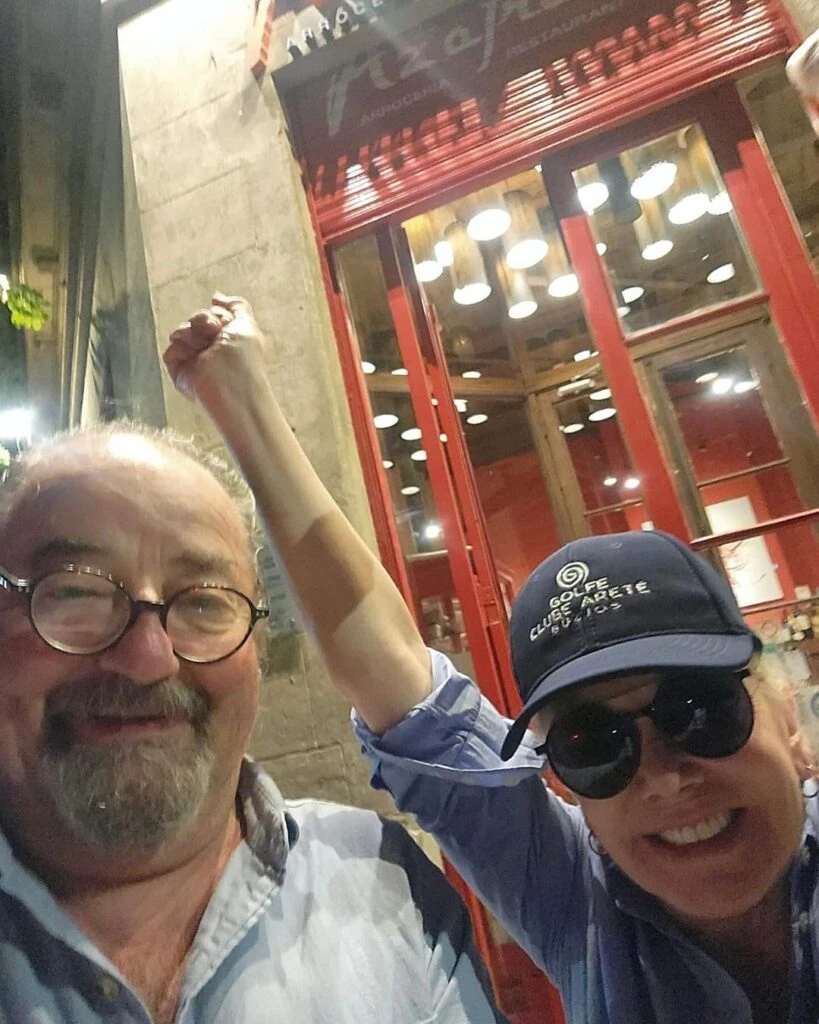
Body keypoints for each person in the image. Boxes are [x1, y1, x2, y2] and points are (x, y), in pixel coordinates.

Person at [164, 296, 819, 1024]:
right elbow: (398, 686)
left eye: (699, 713)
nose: (664, 777)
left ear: (790, 719)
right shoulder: (582, 897)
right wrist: (243, 401)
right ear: (570, 788)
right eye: (595, 747)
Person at [0, 308, 507, 1024]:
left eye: (204, 602)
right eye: (75, 593)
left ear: (258, 651)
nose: (147, 659)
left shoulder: (385, 886)